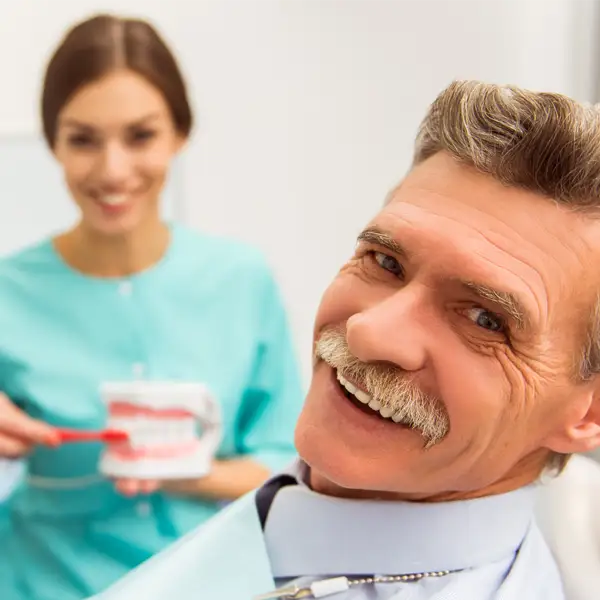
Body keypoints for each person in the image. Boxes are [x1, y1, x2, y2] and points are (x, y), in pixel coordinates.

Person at [91, 80, 600, 600]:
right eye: (385, 261)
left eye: (484, 319)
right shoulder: (293, 526)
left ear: (589, 413)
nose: (369, 331)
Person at [0, 13, 303, 600]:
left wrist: (195, 473)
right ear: (53, 143)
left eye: (140, 136)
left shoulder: (241, 281)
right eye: (83, 139)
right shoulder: (7, 291)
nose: (113, 170)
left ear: (180, 134)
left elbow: (288, 466)